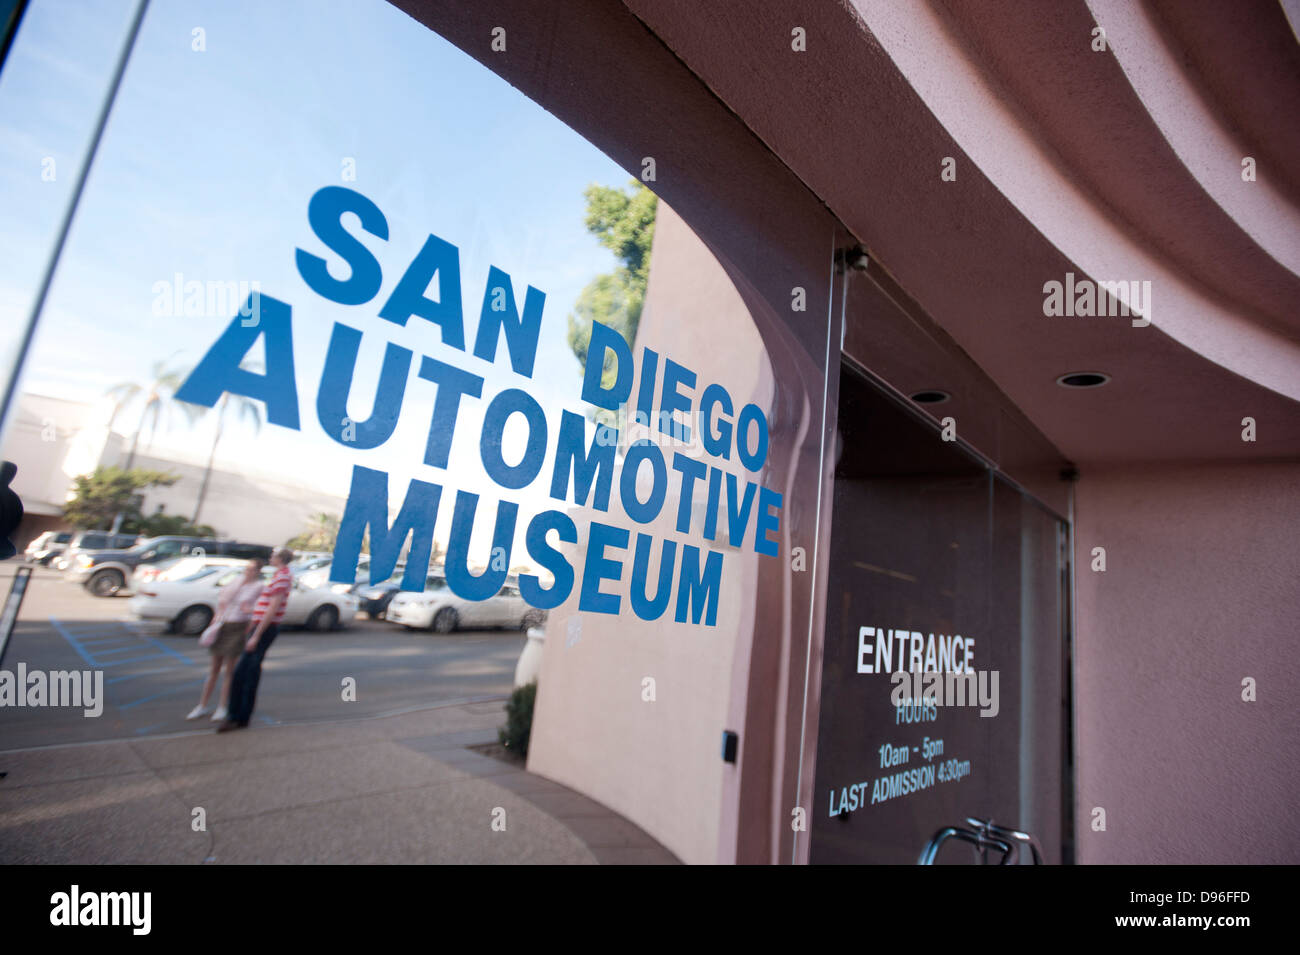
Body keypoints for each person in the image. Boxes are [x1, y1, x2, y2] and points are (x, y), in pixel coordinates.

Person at [218, 548, 293, 732]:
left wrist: (257, 634)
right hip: (261, 628)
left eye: (273, 556)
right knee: (248, 673)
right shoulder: (279, 575)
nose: (270, 558)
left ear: (280, 558)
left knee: (242, 674)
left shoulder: (282, 577)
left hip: (265, 630)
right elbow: (268, 605)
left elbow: (273, 608)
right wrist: (253, 617)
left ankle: (236, 716)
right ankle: (240, 717)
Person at [187, 558, 265, 722]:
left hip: (238, 626)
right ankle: (202, 705)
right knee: (214, 668)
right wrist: (216, 619)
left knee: (229, 670)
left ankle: (222, 706)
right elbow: (223, 602)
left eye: (252, 569)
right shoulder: (236, 582)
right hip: (223, 624)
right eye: (247, 568)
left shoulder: (258, 586)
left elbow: (258, 610)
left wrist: (249, 619)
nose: (248, 572)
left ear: (258, 571)